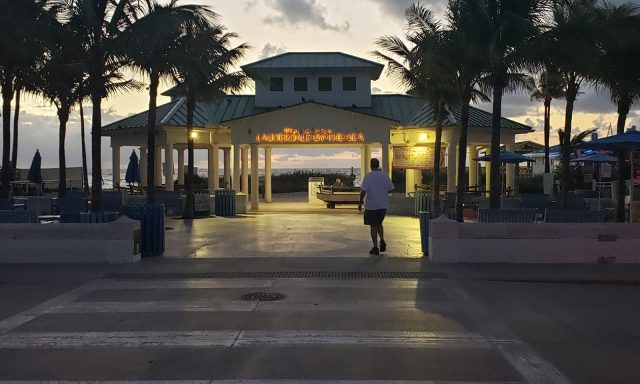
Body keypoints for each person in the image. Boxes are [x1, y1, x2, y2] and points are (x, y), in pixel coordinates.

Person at [358, 158, 394, 255]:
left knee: (373, 226)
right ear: (378, 165)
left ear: (371, 165)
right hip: (383, 205)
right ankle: (382, 239)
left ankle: (375, 247)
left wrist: (360, 203)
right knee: (379, 223)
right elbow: (391, 189)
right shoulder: (385, 176)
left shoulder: (368, 176)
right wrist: (382, 192)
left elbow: (363, 191)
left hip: (371, 206)